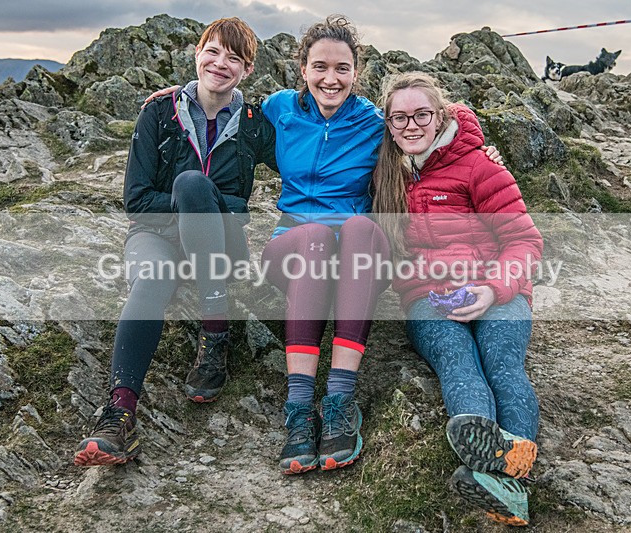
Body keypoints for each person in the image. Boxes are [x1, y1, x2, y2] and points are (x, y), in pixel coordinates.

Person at [145, 15, 503, 475]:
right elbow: (221, 108)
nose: (330, 78)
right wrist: (170, 99)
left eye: (342, 68)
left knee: (357, 228)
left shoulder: (375, 124)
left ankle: (339, 398)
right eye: (320, 67)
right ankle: (298, 409)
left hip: (357, 256)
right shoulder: (278, 110)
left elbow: (435, 128)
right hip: (295, 247)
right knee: (314, 236)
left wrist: (481, 150)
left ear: (357, 72)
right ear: (303, 68)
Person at [74, 17, 277, 467]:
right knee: (150, 278)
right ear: (197, 52)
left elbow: (306, 162)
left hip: (224, 245)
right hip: (158, 236)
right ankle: (119, 415)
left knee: (191, 184)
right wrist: (193, 205)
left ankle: (215, 333)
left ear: (246, 70)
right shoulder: (159, 112)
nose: (220, 64)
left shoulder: (254, 123)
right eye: (213, 51)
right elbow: (136, 200)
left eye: (235, 58)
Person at [372, 72, 543, 526]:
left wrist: (494, 288)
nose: (411, 125)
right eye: (399, 117)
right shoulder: (384, 171)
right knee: (457, 359)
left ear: (441, 115)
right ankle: (494, 467)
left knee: (502, 363)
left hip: (497, 288)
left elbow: (525, 241)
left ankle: (508, 478)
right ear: (387, 122)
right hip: (429, 297)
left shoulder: (479, 166)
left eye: (421, 114)